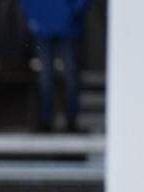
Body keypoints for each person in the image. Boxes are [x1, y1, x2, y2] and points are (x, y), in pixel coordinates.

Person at [19, 0, 92, 132]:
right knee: (46, 77)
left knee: (70, 76)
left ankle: (70, 122)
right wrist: (33, 16)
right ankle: (47, 121)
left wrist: (72, 12)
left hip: (68, 27)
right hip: (47, 26)